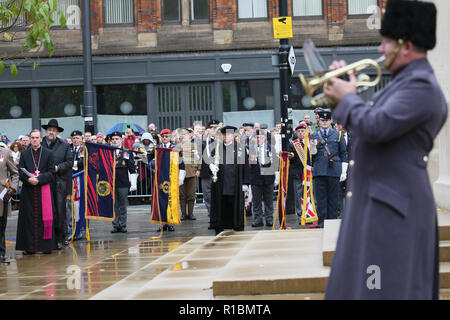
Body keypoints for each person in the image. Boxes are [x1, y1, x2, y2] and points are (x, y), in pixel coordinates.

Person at [323, 0, 447, 300]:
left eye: (386, 41)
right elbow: (370, 126)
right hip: (380, 204)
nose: (380, 49)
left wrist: (349, 98)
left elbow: (376, 125)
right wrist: (340, 97)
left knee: (382, 289)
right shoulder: (404, 83)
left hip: (393, 210)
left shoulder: (420, 86)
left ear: (405, 45)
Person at [16, 130, 57, 254]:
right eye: (32, 138)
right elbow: (20, 171)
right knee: (28, 219)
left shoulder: (48, 153)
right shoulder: (24, 154)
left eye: (36, 138)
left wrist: (38, 179)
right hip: (28, 192)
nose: (34, 140)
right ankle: (29, 247)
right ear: (29, 139)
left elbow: (51, 173)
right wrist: (29, 179)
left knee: (45, 218)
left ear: (40, 139)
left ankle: (45, 246)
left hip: (43, 190)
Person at [209, 126, 250, 235]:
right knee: (221, 204)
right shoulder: (217, 147)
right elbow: (208, 160)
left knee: (235, 204)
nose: (226, 137)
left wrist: (245, 182)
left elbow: (245, 165)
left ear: (233, 136)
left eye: (228, 134)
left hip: (235, 182)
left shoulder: (240, 148)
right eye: (224, 135)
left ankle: (236, 224)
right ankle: (221, 225)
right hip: (221, 182)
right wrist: (211, 166)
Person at [311, 111, 347, 228]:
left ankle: (332, 223)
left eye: (327, 120)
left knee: (333, 199)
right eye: (322, 120)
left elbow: (343, 153)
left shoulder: (338, 135)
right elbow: (311, 155)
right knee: (321, 200)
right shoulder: (313, 135)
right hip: (319, 170)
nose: (325, 122)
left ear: (331, 121)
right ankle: (322, 224)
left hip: (334, 170)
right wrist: (312, 147)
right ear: (319, 121)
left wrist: (343, 171)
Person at [41, 119, 73, 249]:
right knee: (47, 211)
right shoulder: (40, 143)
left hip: (60, 182)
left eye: (54, 130)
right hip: (45, 182)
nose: (51, 132)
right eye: (49, 130)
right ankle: (49, 237)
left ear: (57, 132)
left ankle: (61, 236)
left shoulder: (64, 145)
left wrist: (58, 168)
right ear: (46, 131)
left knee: (60, 211)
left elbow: (70, 163)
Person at [288, 123, 318, 222]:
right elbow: (289, 158)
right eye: (299, 131)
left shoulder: (310, 143)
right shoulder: (293, 144)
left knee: (310, 193)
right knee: (298, 194)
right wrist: (291, 156)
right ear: (296, 133)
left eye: (302, 131)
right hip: (298, 173)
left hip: (309, 172)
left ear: (305, 132)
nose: (301, 133)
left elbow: (315, 156)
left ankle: (310, 212)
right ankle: (301, 214)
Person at [249, 130, 277, 227]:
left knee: (268, 201)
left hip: (268, 178)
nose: (258, 139)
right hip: (255, 178)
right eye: (257, 137)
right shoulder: (251, 149)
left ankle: (269, 219)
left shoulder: (271, 148)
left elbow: (275, 163)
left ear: (264, 138)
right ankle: (258, 219)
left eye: (260, 137)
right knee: (256, 202)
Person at [109, 131, 136, 233]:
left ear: (121, 140)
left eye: (117, 139)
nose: (115, 141)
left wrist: (133, 183)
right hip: (112, 183)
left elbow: (132, 167)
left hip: (123, 182)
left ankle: (123, 224)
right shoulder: (108, 151)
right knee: (114, 205)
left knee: (122, 205)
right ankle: (115, 225)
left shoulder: (126, 152)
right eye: (113, 139)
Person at [0, 140, 19, 263]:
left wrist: (12, 188)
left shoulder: (5, 152)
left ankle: (1, 252)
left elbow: (15, 174)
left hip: (1, 196)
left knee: (1, 226)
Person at [179, 129, 201, 221]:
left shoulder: (194, 145)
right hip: (180, 173)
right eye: (182, 135)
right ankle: (183, 214)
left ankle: (191, 213)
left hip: (192, 171)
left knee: (191, 195)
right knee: (182, 195)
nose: (184, 136)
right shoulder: (178, 146)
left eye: (186, 134)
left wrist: (199, 169)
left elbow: (199, 158)